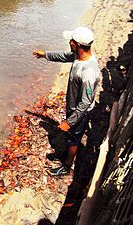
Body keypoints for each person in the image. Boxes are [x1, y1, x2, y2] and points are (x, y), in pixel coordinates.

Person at [33, 26, 100, 176]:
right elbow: (63, 56)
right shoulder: (78, 56)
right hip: (74, 107)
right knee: (69, 136)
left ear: (79, 45)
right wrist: (45, 55)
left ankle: (66, 166)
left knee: (73, 140)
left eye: (72, 41)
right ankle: (63, 154)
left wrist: (69, 122)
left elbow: (86, 103)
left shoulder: (89, 72)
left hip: (81, 113)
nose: (69, 42)